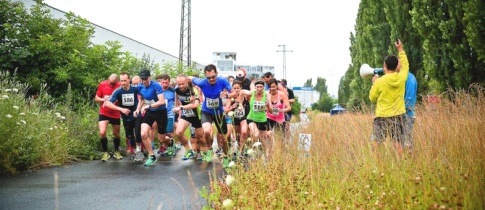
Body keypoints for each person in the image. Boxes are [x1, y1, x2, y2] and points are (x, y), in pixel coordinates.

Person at [189, 64, 235, 167]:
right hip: (206, 111)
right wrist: (192, 94)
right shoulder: (202, 82)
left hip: (218, 112)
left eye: (213, 77)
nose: (211, 79)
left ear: (216, 74)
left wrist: (227, 95)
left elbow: (234, 93)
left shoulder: (222, 81)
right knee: (206, 131)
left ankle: (226, 156)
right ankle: (209, 149)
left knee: (224, 138)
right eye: (208, 77)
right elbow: (189, 78)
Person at [369, 39, 409, 156]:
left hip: (382, 116)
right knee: (398, 143)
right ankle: (400, 164)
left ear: (385, 66)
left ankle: (377, 165)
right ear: (397, 66)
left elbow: (372, 98)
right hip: (399, 116)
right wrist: (400, 49)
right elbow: (405, 65)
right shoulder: (402, 77)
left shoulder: (379, 82)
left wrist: (374, 83)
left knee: (375, 143)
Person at [105, 72, 144, 162]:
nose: (123, 83)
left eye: (125, 81)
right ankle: (134, 152)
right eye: (121, 81)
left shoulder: (135, 88)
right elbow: (108, 103)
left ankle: (139, 152)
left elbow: (142, 98)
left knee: (137, 133)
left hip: (136, 114)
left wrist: (138, 109)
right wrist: (121, 109)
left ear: (129, 80)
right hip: (126, 117)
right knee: (130, 136)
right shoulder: (118, 91)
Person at [134, 69, 167, 166]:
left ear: (150, 77)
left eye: (146, 79)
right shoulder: (140, 87)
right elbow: (142, 100)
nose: (144, 81)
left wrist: (149, 106)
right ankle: (152, 155)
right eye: (142, 79)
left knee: (161, 139)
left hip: (161, 112)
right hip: (150, 112)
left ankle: (170, 141)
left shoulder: (156, 85)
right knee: (143, 133)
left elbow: (161, 101)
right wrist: (137, 109)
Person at [171, 74, 204, 160]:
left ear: (186, 82)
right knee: (178, 132)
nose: (181, 86)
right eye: (179, 84)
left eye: (183, 84)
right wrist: (178, 112)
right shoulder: (177, 89)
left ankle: (201, 152)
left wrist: (181, 107)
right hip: (186, 114)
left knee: (199, 137)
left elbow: (195, 105)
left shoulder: (194, 91)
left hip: (196, 114)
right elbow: (176, 101)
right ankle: (189, 151)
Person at [238, 79, 273, 158]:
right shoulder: (252, 93)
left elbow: (271, 111)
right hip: (251, 118)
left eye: (261, 87)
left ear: (264, 88)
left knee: (263, 140)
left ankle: (265, 155)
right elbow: (241, 92)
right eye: (257, 87)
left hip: (262, 119)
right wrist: (240, 104)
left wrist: (268, 106)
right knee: (255, 134)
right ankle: (251, 150)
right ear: (255, 87)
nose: (259, 89)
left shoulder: (267, 95)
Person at [94, 74, 122, 161]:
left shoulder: (120, 86)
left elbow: (122, 99)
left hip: (115, 112)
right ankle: (105, 152)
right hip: (104, 112)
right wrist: (104, 99)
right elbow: (96, 98)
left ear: (117, 82)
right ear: (108, 80)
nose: (111, 85)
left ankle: (117, 151)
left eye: (113, 84)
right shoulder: (102, 84)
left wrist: (115, 100)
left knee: (116, 134)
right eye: (110, 83)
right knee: (102, 132)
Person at [155, 74, 176, 157]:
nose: (165, 85)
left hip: (170, 114)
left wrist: (177, 110)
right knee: (161, 133)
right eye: (163, 82)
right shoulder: (158, 90)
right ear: (161, 82)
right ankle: (163, 147)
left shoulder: (173, 91)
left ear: (169, 82)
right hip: (159, 114)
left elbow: (177, 101)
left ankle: (171, 147)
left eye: (166, 83)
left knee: (169, 132)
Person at [228, 80, 249, 157]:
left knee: (243, 132)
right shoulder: (230, 97)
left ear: (241, 88)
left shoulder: (244, 95)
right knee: (238, 135)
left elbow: (251, 94)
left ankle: (241, 150)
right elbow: (226, 109)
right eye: (234, 88)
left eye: (238, 88)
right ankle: (241, 147)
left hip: (244, 117)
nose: (236, 90)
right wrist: (232, 107)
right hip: (235, 118)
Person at [403, 72, 417, 149]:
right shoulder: (402, 77)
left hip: (407, 115)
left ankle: (408, 160)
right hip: (403, 114)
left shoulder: (409, 78)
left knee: (406, 144)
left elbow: (409, 100)